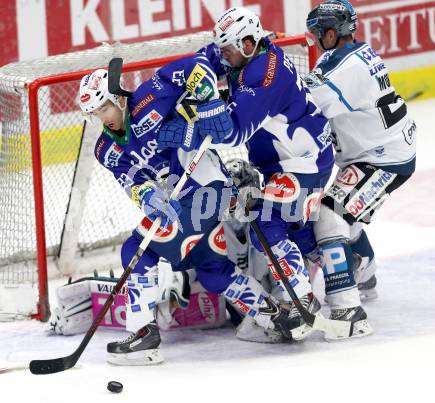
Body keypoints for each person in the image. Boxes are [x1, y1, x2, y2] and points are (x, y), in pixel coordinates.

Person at [78, 56, 299, 365]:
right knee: (213, 272)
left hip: (206, 188)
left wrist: (207, 97)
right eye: (94, 114)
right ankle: (276, 318)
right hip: (184, 203)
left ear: (117, 98)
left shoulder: (149, 97)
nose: (103, 118)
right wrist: (148, 197)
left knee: (136, 251)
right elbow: (131, 179)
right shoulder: (106, 149)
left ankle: (143, 336)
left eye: (104, 108)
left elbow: (196, 65)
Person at [158, 6, 335, 341]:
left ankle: (303, 299)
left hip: (304, 164)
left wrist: (191, 125)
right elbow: (205, 58)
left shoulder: (264, 77)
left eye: (228, 50)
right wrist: (202, 76)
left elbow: (234, 132)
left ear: (249, 43)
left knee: (265, 224)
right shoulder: (247, 53)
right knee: (274, 223)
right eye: (223, 49)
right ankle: (341, 267)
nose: (223, 55)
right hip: (281, 163)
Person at [304, 0, 416, 338]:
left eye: (315, 34)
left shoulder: (346, 67)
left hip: (382, 157)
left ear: (330, 32)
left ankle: (349, 311)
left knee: (330, 216)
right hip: (378, 150)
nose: (312, 41)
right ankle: (364, 271)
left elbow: (307, 102)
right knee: (343, 216)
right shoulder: (350, 55)